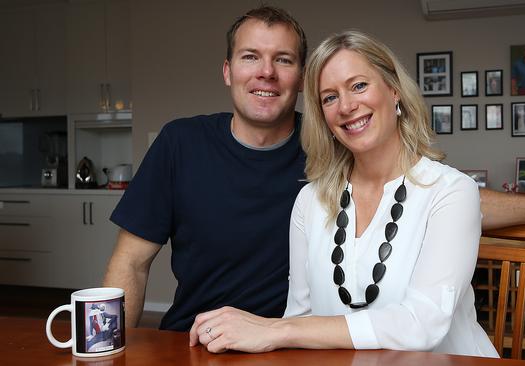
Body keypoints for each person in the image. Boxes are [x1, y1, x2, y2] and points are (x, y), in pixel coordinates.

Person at [103, 6, 525, 334]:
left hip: (299, 342)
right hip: (198, 336)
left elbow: (426, 197)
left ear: (298, 78)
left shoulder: (333, 150)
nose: (265, 72)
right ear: (228, 70)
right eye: (250, 57)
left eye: (284, 60)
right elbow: (130, 264)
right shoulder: (182, 143)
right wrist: (110, 350)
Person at [188, 30, 499, 355]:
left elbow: (421, 324)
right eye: (329, 97)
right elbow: (300, 317)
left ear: (394, 90)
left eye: (359, 85)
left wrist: (273, 328)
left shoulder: (451, 192)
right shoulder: (310, 201)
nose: (347, 106)